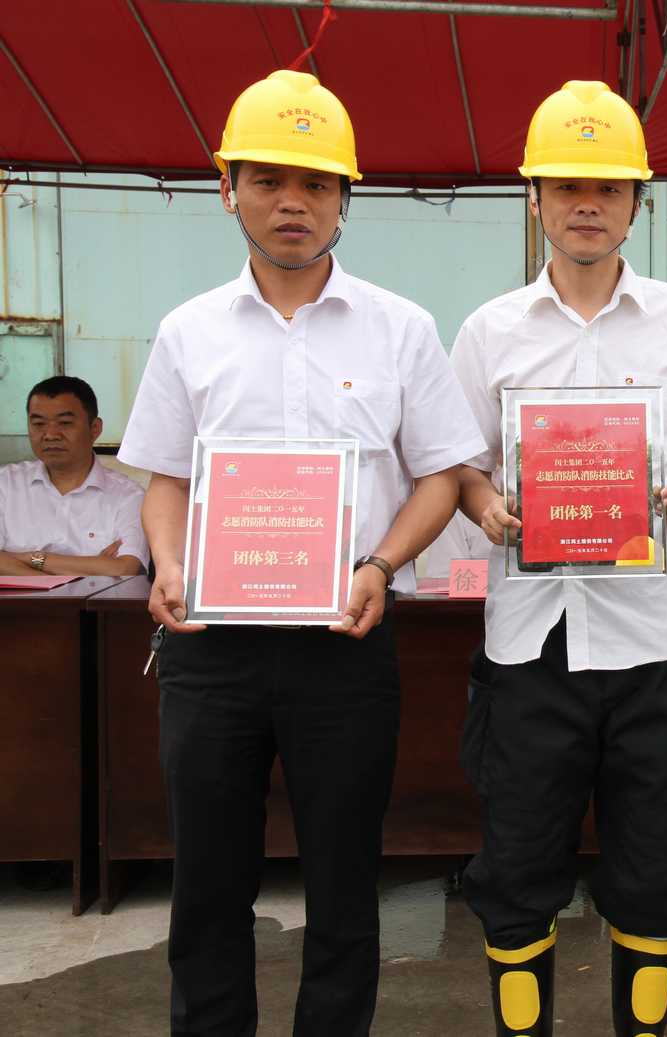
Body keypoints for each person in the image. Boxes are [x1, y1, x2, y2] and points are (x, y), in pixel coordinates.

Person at [118, 70, 483, 1036]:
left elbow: (441, 475)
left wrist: (379, 565)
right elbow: (164, 480)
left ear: (344, 198)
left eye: (316, 183)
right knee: (208, 883)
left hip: (344, 642)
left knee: (343, 880)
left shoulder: (400, 328)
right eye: (269, 180)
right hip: (211, 649)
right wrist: (168, 562)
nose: (293, 202)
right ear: (227, 188)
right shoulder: (189, 332)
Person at [449, 81, 667, 1037]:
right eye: (568, 186)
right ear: (535, 197)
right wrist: (488, 505)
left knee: (656, 868)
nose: (587, 205)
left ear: (635, 204)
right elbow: (462, 466)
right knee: (517, 866)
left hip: (656, 642)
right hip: (529, 645)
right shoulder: (490, 330)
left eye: (608, 188)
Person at [1, 375, 146, 576]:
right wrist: (86, 570)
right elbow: (111, 569)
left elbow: (125, 567)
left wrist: (31, 558)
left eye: (65, 423)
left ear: (95, 429)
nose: (50, 435)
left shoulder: (128, 496)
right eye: (39, 424)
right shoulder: (5, 484)